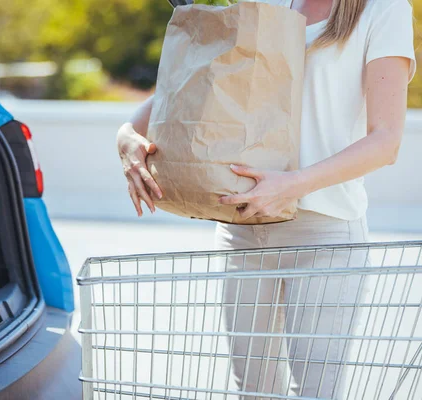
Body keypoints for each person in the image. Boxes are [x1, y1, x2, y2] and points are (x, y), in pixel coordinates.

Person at [116, 0, 416, 397]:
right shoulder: (266, 2)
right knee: (254, 390)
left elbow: (385, 142)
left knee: (315, 391)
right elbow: (193, 82)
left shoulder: (383, 9)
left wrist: (291, 184)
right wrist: (125, 135)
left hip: (323, 237)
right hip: (242, 234)